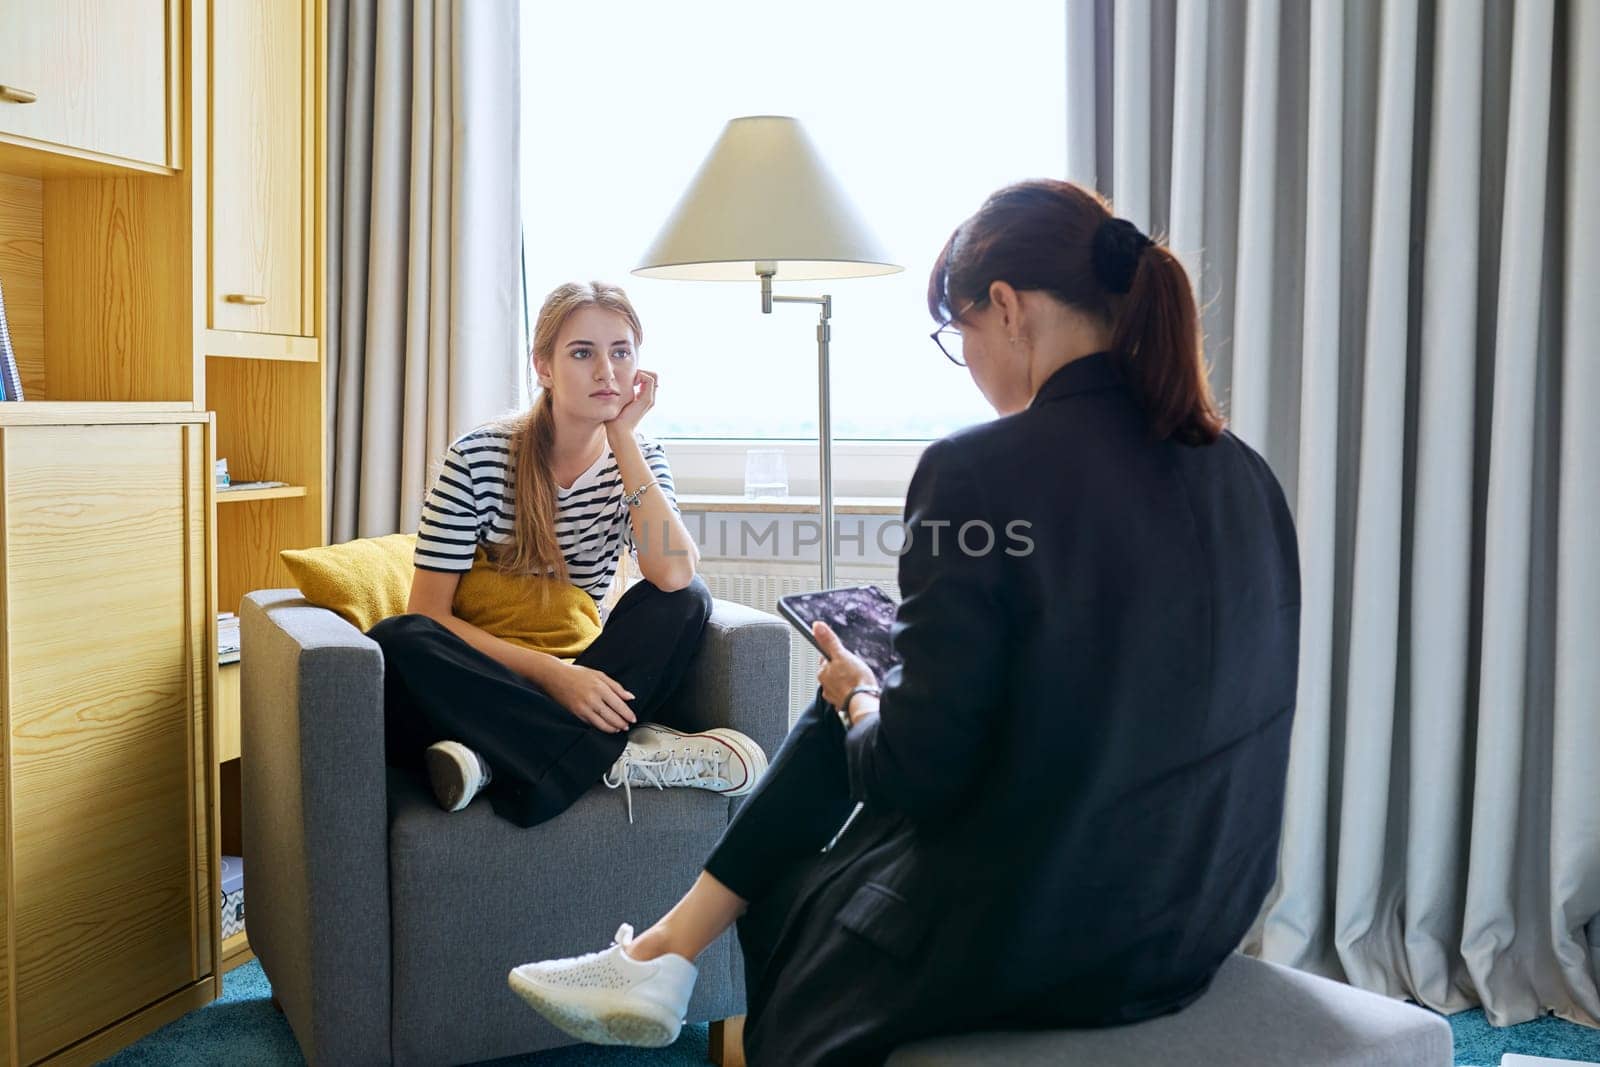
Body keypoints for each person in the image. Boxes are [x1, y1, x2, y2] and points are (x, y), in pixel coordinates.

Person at [508, 182, 1301, 1064]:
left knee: (794, 856)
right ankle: (659, 954)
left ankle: (665, 959)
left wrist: (859, 699)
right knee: (861, 684)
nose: (967, 358)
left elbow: (911, 778)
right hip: (1198, 915)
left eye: (957, 334)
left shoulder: (978, 472)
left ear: (1005, 309)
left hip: (1051, 940)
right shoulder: (1243, 473)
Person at [368, 281, 767, 829]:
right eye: (583, 353)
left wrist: (623, 437)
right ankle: (610, 755)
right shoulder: (478, 457)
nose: (606, 371)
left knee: (683, 599)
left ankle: (493, 760)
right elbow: (428, 613)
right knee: (398, 640)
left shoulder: (640, 458)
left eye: (620, 352)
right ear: (544, 367)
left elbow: (673, 572)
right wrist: (556, 676)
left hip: (582, 671)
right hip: (483, 678)